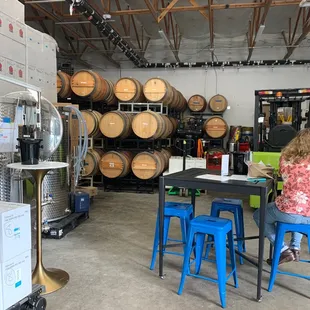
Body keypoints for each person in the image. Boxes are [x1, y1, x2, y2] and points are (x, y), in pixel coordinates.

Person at [253, 128, 310, 265]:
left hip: (289, 211)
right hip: (308, 214)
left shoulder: (286, 158)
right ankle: (295, 247)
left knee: (259, 215)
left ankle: (284, 250)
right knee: (302, 213)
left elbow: (282, 176)